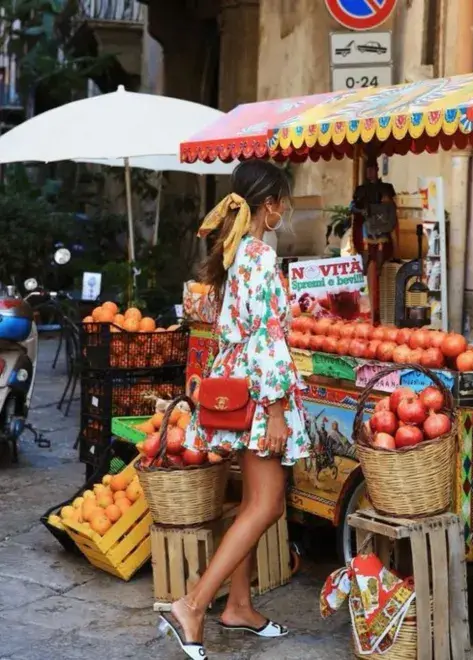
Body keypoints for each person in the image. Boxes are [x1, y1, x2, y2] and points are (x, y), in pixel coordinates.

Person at [157, 160, 310, 659]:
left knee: (251, 502)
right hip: (260, 391)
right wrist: (279, 409)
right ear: (271, 206)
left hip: (237, 387)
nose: (284, 209)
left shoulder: (237, 250)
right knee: (267, 504)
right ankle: (195, 604)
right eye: (283, 201)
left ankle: (238, 606)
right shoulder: (261, 255)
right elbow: (267, 339)